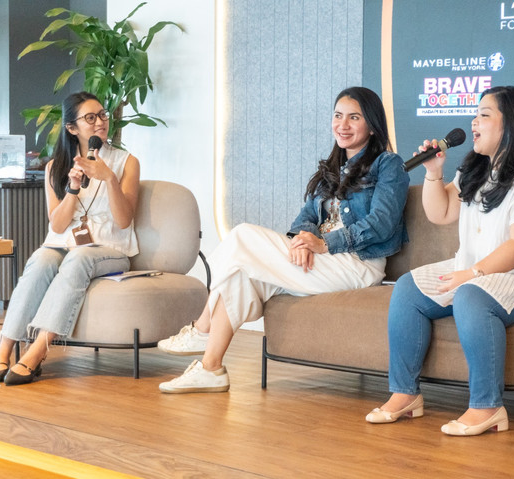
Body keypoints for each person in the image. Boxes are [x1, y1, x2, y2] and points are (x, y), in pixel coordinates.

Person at [157, 86, 410, 393]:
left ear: (371, 125)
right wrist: (303, 239)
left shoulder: (388, 164)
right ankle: (211, 369)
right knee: (241, 274)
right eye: (338, 115)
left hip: (358, 264)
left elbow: (382, 224)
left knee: (242, 236)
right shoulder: (332, 169)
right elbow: (306, 216)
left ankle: (201, 327)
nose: (343, 124)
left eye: (354, 117)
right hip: (324, 260)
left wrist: (325, 244)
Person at [366, 86, 514, 436]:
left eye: (484, 115)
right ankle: (405, 394)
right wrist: (433, 172)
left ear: (512, 124)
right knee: (409, 288)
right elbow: (440, 212)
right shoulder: (477, 169)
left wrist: (472, 275)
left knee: (472, 296)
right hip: (478, 272)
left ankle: (488, 407)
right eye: (475, 114)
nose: (474, 122)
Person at [0, 92, 140, 386]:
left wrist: (109, 178)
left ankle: (37, 351)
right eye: (90, 118)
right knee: (41, 259)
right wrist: (73, 188)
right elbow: (56, 224)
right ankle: (3, 348)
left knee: (79, 257)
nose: (100, 123)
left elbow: (124, 221)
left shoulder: (126, 162)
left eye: (103, 115)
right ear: (72, 128)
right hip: (63, 244)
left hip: (111, 248)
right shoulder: (55, 166)